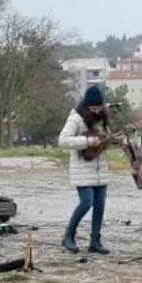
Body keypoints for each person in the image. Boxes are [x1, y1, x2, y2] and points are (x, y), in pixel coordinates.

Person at [58, 86, 112, 255]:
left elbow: (103, 140)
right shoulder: (76, 118)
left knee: (100, 205)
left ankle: (95, 241)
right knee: (86, 202)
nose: (97, 111)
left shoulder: (102, 119)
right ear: (87, 106)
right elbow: (63, 140)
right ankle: (69, 236)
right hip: (82, 167)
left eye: (99, 107)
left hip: (99, 168)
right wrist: (87, 142)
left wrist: (114, 141)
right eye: (93, 108)